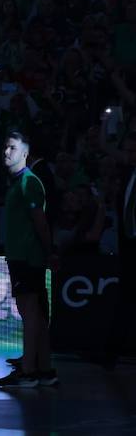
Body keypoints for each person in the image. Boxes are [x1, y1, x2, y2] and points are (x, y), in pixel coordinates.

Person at [0, 130, 59, 388]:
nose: (6, 152)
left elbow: (41, 223)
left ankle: (29, 371)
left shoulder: (29, 182)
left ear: (25, 153)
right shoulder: (19, 183)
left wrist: (50, 252)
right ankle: (45, 370)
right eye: (5, 147)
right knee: (37, 315)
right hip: (22, 256)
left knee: (29, 312)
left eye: (12, 148)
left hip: (26, 257)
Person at [102, 135, 136, 367]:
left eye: (134, 151)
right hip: (130, 246)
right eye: (128, 151)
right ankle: (112, 352)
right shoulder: (128, 175)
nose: (130, 155)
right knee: (125, 298)